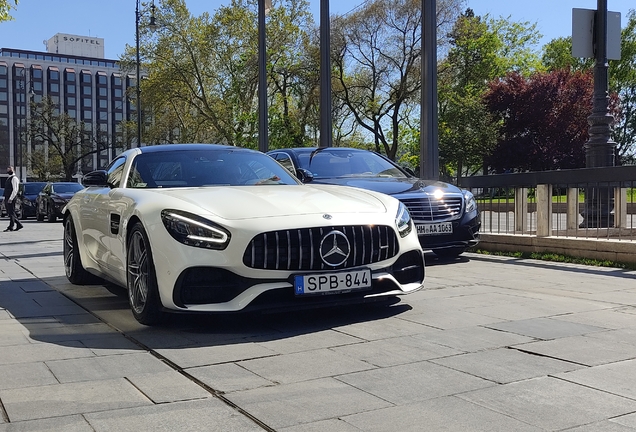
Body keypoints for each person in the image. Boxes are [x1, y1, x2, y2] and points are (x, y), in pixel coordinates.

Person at [3, 166, 23, 232]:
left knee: (11, 212)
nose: (8, 171)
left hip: (11, 197)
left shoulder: (14, 178)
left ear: (13, 170)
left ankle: (13, 226)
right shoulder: (9, 178)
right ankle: (16, 225)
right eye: (8, 169)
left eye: (10, 169)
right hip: (7, 197)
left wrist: (11, 198)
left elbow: (15, 189)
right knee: (10, 212)